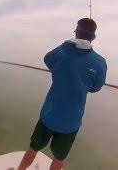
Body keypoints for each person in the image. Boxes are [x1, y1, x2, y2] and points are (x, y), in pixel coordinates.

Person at [15, 18, 107, 170]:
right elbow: (96, 88)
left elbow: (47, 59)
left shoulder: (63, 51)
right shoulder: (100, 62)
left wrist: (65, 48)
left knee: (33, 148)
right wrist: (83, 84)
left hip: (49, 115)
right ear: (94, 37)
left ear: (76, 33)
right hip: (71, 122)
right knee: (59, 158)